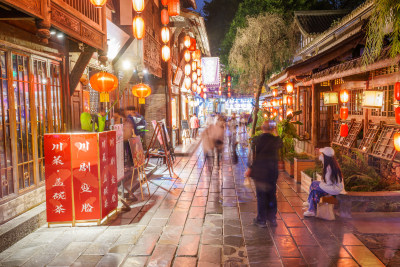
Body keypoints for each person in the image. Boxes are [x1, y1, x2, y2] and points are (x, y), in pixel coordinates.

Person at [245, 120, 282, 227]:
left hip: (260, 171)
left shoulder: (257, 140)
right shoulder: (275, 140)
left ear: (262, 128)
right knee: (272, 194)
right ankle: (272, 218)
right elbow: (280, 143)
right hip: (272, 171)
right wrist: (275, 132)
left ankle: (261, 219)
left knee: (261, 196)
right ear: (271, 129)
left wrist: (250, 168)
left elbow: (254, 156)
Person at [303, 147, 345, 217]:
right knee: (314, 184)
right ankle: (310, 204)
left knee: (314, 190)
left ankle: (311, 210)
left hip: (333, 189)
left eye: (322, 154)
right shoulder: (331, 163)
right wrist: (319, 150)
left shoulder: (329, 168)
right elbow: (321, 157)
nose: (321, 156)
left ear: (325, 157)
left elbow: (328, 183)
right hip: (331, 187)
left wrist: (320, 185)